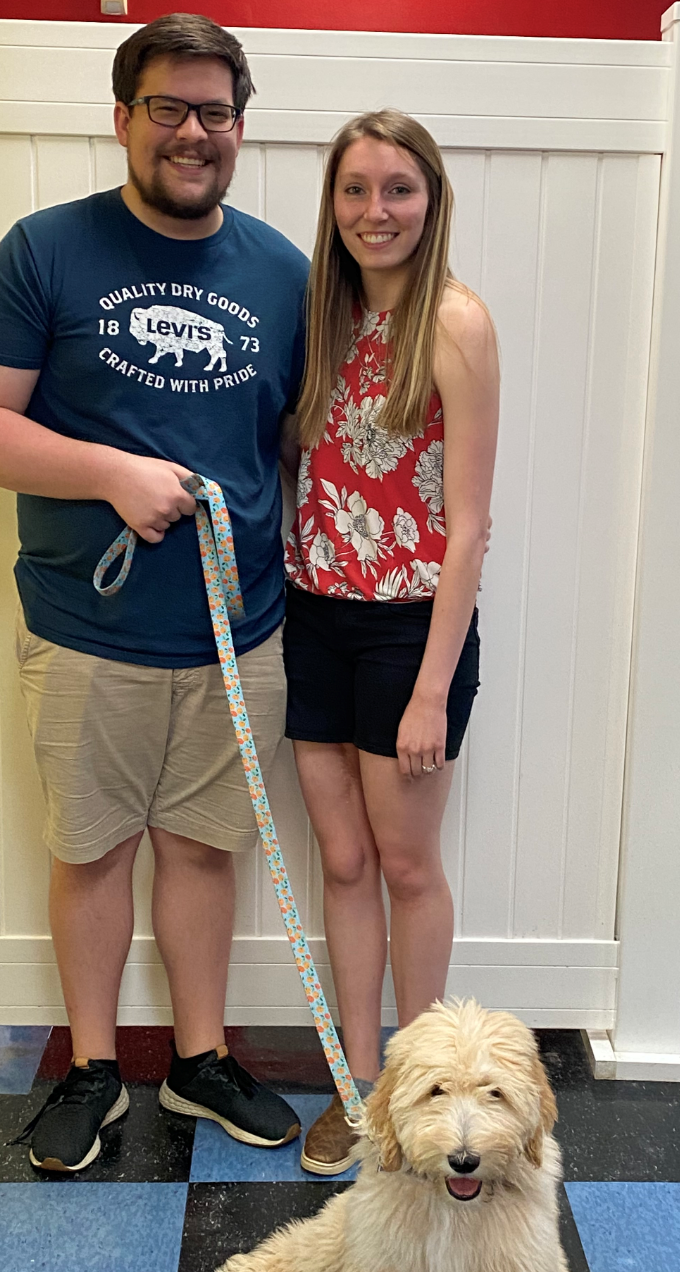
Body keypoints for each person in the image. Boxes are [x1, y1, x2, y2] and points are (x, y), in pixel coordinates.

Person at [0, 14, 309, 1172]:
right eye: (169, 109)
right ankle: (92, 1069)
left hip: (235, 626)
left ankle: (199, 1060)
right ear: (124, 119)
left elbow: (296, 439)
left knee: (205, 847)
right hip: (86, 626)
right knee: (92, 848)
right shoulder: (46, 250)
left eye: (216, 113)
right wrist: (112, 473)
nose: (193, 134)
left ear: (240, 129)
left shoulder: (283, 272)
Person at [280, 111, 499, 1174]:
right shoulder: (319, 321)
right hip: (314, 614)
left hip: (413, 628)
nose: (378, 211)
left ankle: (429, 1098)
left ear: (431, 197)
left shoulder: (455, 322)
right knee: (344, 857)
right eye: (357, 190)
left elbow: (468, 527)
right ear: (334, 204)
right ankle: (360, 1090)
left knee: (408, 865)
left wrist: (429, 689)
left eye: (399, 189)